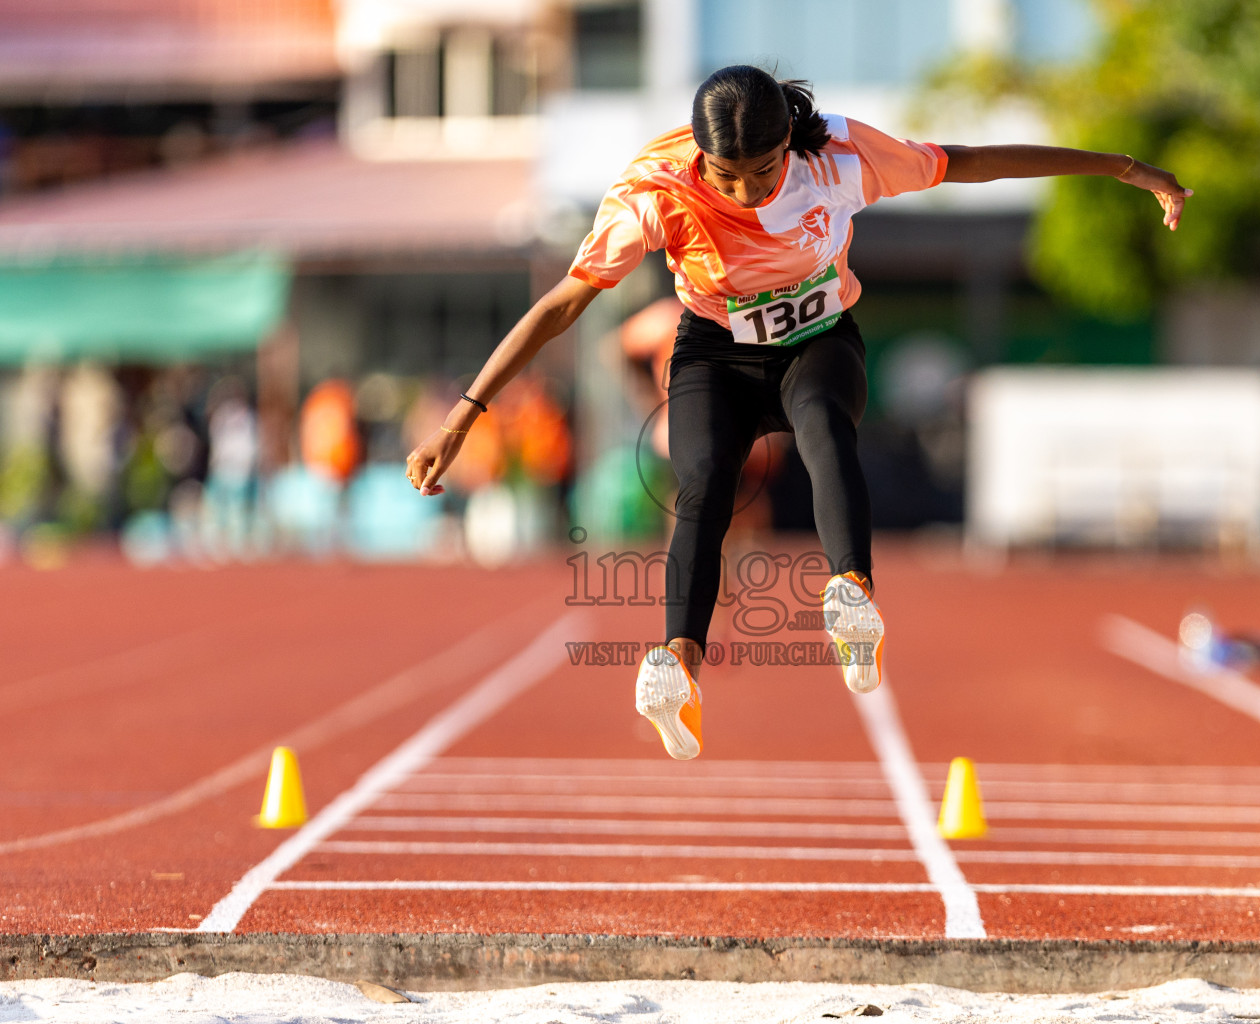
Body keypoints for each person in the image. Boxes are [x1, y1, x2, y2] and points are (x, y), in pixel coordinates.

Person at [405, 65, 1191, 759]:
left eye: (763, 172)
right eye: (728, 176)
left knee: (823, 428)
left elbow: (973, 164)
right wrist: (462, 416)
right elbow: (561, 304)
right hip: (716, 349)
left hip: (819, 339)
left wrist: (1124, 168)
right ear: (700, 156)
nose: (746, 193)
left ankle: (852, 594)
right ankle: (677, 663)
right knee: (704, 483)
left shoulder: (841, 155)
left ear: (790, 143)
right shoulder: (654, 191)